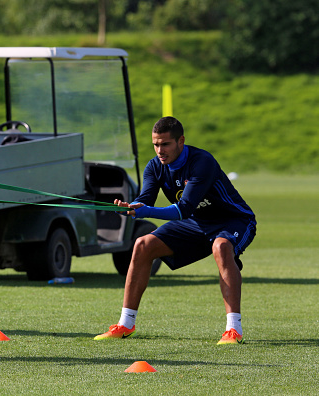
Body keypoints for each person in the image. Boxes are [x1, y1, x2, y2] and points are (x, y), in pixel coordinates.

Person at [94, 116, 256, 345]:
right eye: (155, 144)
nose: (160, 150)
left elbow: (184, 208)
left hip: (233, 220)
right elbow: (145, 200)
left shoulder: (202, 162)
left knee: (221, 246)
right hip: (196, 223)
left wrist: (145, 211)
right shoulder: (154, 166)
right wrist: (129, 209)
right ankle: (126, 324)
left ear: (181, 141)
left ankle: (233, 330)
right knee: (142, 244)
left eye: (165, 144)